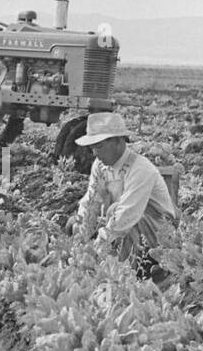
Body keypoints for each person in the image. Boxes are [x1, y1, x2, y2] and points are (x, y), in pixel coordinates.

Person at [67, 112, 178, 280]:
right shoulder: (100, 165)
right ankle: (101, 268)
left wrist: (97, 248)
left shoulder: (140, 169)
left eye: (99, 146)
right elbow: (91, 200)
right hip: (119, 224)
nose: (94, 152)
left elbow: (127, 216)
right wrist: (82, 229)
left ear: (118, 142)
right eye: (92, 147)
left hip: (154, 232)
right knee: (75, 222)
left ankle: (126, 277)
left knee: (127, 223)